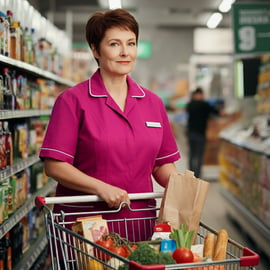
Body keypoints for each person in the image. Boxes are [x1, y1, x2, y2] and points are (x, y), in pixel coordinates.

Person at [39, 8, 180, 243]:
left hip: (139, 222)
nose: (125, 52)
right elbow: (55, 166)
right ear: (95, 50)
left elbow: (161, 164)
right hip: (87, 228)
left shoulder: (153, 103)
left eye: (131, 43)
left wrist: (183, 186)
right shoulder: (72, 101)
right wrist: (100, 188)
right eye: (114, 44)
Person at [186, 87, 223, 178]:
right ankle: (197, 176)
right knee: (199, 155)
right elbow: (216, 112)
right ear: (201, 94)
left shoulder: (190, 104)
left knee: (192, 154)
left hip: (190, 133)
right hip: (200, 133)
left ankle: (190, 175)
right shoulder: (204, 104)